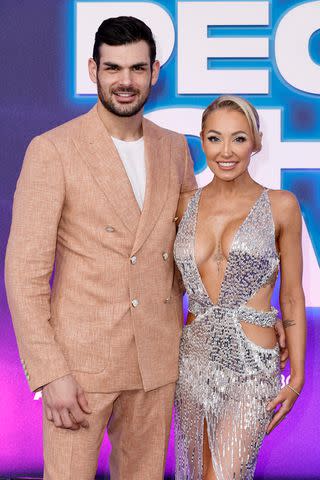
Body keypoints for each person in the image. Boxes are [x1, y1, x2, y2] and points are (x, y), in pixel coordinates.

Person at [5, 16, 197, 480]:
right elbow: (24, 272)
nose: (125, 81)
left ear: (155, 72)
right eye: (113, 68)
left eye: (136, 68)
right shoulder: (53, 149)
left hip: (157, 357)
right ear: (93, 70)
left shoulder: (175, 149)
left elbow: (190, 249)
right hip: (81, 365)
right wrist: (50, 373)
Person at [173, 95, 306, 480]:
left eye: (239, 139)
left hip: (252, 367)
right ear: (201, 140)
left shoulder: (282, 205)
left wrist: (296, 376)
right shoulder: (183, 205)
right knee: (195, 475)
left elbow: (293, 295)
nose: (226, 151)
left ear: (256, 143)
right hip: (192, 364)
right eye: (215, 139)